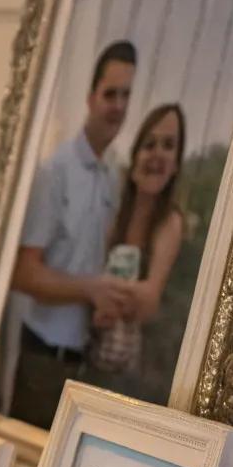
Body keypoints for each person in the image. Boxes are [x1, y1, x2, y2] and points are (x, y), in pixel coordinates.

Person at [7, 40, 138, 428]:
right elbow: (23, 274)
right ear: (90, 97)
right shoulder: (57, 171)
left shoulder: (113, 175)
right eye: (110, 93)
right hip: (43, 364)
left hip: (87, 363)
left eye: (126, 95)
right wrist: (91, 289)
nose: (117, 105)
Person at [86, 104, 186, 392]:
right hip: (87, 355)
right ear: (134, 158)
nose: (157, 154)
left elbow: (149, 301)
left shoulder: (170, 222)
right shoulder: (114, 211)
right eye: (149, 144)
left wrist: (100, 292)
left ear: (176, 164)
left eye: (168, 146)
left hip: (132, 379)